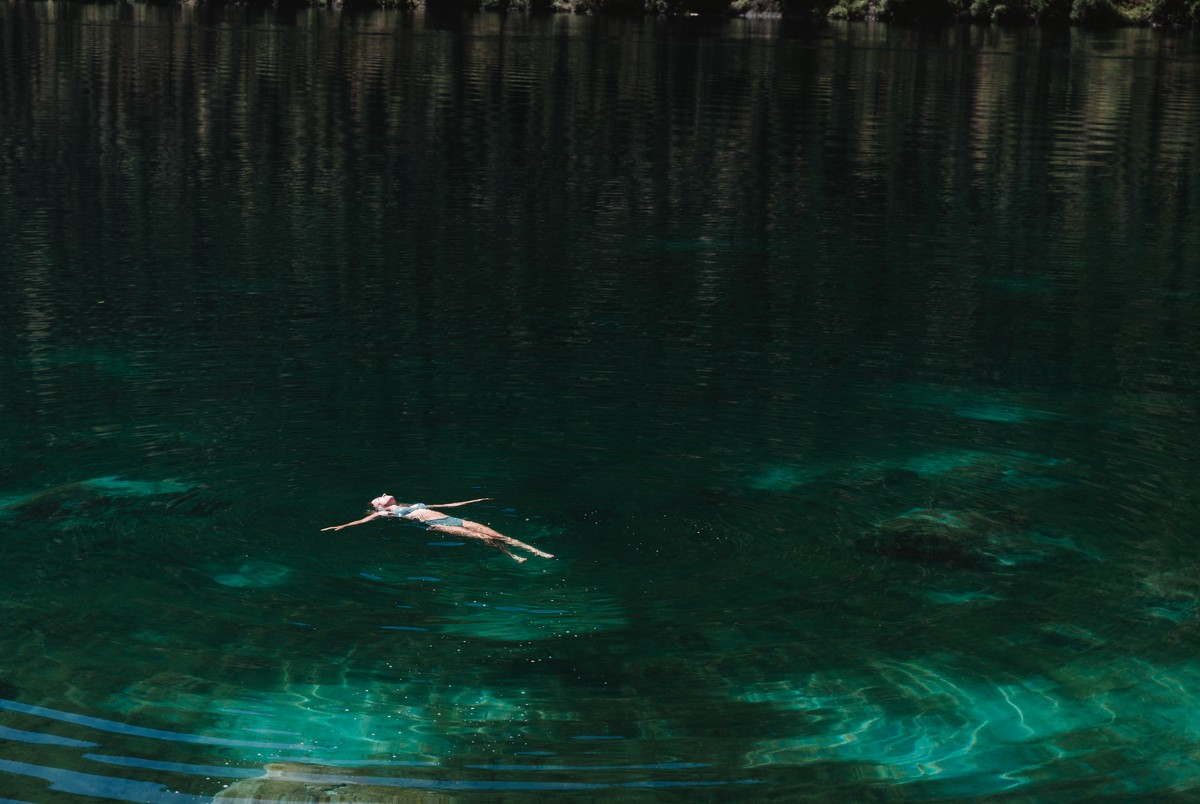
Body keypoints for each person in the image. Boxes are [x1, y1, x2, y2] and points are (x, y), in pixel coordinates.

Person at [322, 495, 554, 563]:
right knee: (481, 537)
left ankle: (536, 552)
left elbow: (448, 505)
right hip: (437, 525)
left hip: (452, 518)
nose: (383, 495)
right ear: (378, 506)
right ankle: (513, 556)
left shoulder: (409, 504)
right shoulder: (386, 513)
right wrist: (341, 525)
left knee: (501, 535)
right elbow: (362, 522)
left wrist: (474, 501)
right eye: (379, 498)